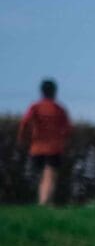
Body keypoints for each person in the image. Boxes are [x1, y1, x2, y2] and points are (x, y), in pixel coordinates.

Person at [17, 79, 70, 207]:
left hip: (37, 147)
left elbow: (25, 122)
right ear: (54, 92)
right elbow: (68, 128)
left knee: (43, 176)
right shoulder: (59, 109)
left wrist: (22, 138)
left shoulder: (35, 107)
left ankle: (44, 201)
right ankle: (45, 202)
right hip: (54, 147)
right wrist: (64, 140)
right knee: (50, 175)